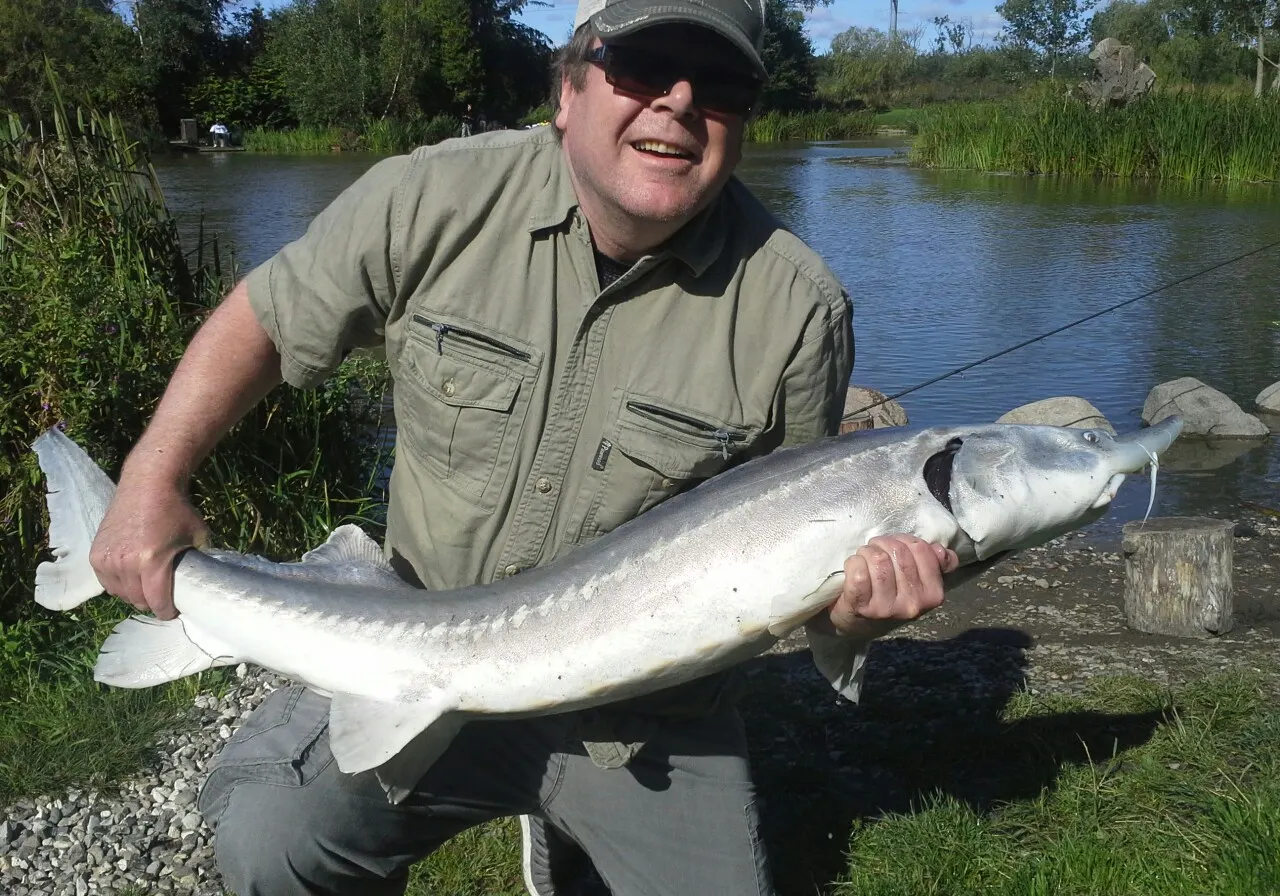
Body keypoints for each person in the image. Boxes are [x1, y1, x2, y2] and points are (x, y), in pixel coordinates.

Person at [88, 0, 958, 892]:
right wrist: (150, 478)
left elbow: (803, 580)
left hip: (647, 721)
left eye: (721, 81)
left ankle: (571, 831)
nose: (679, 101)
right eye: (644, 64)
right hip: (409, 640)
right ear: (568, 90)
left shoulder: (800, 311)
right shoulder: (431, 197)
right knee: (269, 841)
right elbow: (262, 323)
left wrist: (853, 615)